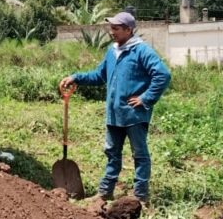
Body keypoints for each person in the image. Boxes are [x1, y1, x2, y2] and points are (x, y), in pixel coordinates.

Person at [60, 12, 171, 204]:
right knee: (112, 153)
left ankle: (140, 196)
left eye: (116, 29)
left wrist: (145, 98)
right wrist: (76, 77)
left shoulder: (141, 51)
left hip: (134, 115)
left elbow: (162, 74)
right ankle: (105, 192)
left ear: (129, 30)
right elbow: (99, 75)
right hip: (114, 114)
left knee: (140, 154)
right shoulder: (112, 52)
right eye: (111, 28)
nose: (112, 32)